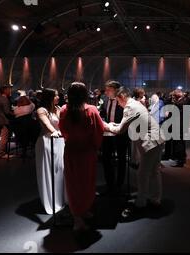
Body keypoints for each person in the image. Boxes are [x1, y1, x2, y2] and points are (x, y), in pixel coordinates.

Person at [106, 87, 165, 219]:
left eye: (117, 100)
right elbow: (125, 123)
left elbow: (120, 130)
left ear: (121, 97)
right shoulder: (135, 103)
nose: (118, 103)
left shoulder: (129, 107)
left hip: (151, 142)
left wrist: (106, 126)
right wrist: (114, 124)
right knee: (154, 171)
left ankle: (141, 203)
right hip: (158, 138)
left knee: (142, 173)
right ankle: (156, 199)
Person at [59, 82, 106, 231]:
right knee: (87, 182)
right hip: (87, 152)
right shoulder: (91, 110)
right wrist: (95, 146)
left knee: (73, 183)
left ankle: (79, 213)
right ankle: (80, 215)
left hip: (71, 150)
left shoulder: (64, 110)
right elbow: (99, 130)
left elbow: (63, 130)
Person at [35, 89, 65, 215]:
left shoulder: (58, 108)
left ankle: (61, 197)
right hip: (47, 142)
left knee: (61, 170)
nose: (58, 97)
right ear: (50, 97)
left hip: (61, 142)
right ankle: (51, 200)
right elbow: (47, 124)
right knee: (50, 171)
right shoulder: (42, 110)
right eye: (56, 95)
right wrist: (54, 131)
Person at [100, 80, 129, 196]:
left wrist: (119, 127)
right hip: (107, 134)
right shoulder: (105, 100)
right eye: (106, 89)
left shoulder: (124, 100)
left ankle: (119, 185)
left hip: (121, 134)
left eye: (108, 89)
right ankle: (109, 184)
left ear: (116, 90)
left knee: (122, 159)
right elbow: (102, 112)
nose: (106, 92)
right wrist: (103, 121)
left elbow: (127, 117)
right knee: (106, 159)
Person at [0, 85, 14, 159]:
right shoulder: (4, 99)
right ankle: (1, 153)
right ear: (4, 91)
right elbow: (7, 112)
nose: (10, 91)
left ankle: (3, 152)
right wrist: (15, 113)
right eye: (9, 90)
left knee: (4, 137)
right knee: (4, 137)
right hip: (3, 121)